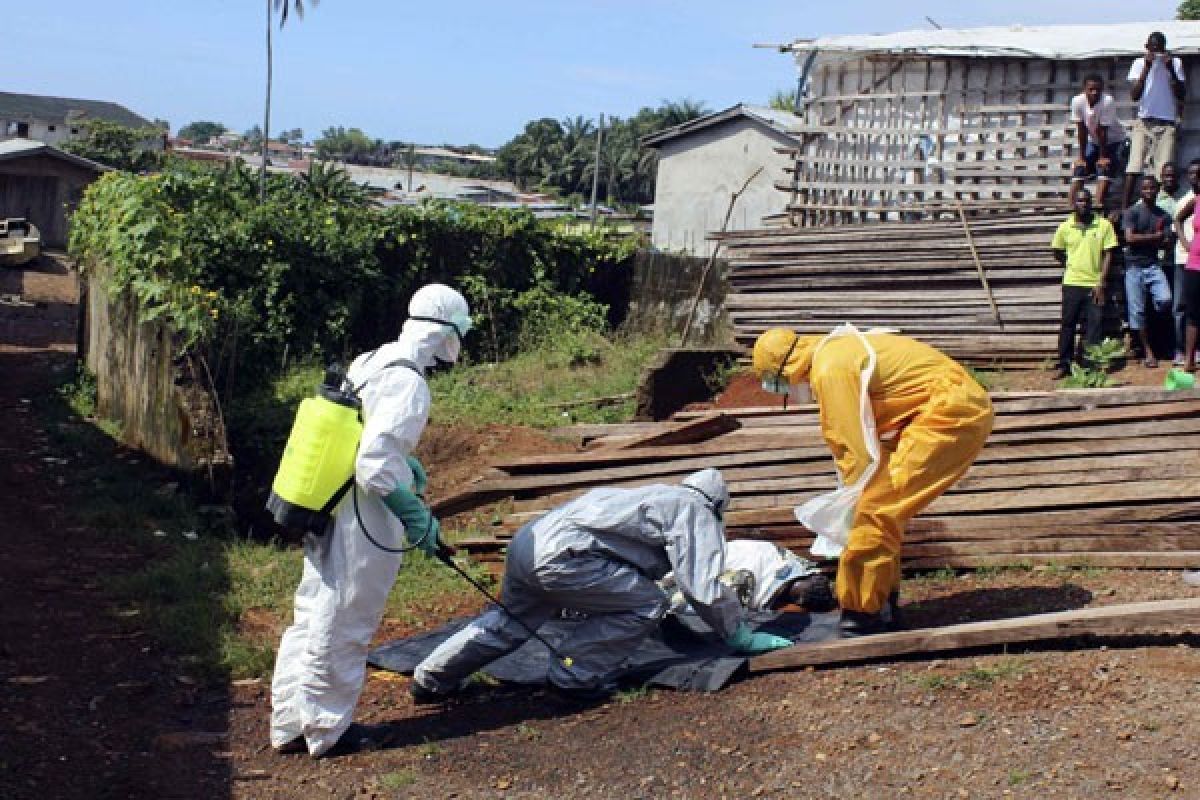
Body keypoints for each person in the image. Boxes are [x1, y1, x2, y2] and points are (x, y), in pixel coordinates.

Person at [270, 283, 472, 758]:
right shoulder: (410, 381)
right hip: (364, 516)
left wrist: (409, 465)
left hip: (329, 503)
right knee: (347, 619)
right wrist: (414, 513)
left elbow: (364, 434)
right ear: (445, 333)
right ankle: (327, 730)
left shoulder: (373, 359)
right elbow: (375, 464)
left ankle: (290, 723)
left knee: (313, 611)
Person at [410, 469, 794, 703]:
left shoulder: (653, 496)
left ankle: (430, 679)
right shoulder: (692, 510)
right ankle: (572, 678)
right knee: (647, 604)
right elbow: (702, 586)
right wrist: (738, 633)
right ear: (717, 505)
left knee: (510, 622)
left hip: (528, 544)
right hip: (566, 557)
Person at [751, 327, 993, 637]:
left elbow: (851, 445)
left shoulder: (830, 370)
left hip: (948, 415)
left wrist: (851, 500)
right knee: (881, 510)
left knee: (874, 511)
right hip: (946, 409)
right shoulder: (835, 351)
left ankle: (861, 615)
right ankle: (882, 603)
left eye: (777, 381)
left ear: (785, 368)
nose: (783, 389)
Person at [1051, 188, 1119, 379]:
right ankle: (1063, 364)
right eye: (1080, 201)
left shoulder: (1103, 225)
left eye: (1087, 201)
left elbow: (1109, 254)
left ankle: (1091, 365)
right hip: (1072, 282)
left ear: (1092, 203)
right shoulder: (1065, 227)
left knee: (1095, 325)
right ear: (1074, 204)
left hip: (1094, 284)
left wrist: (1101, 282)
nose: (1084, 204)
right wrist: (1071, 265)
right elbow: (1057, 251)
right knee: (1068, 324)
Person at [1123, 31, 1186, 209]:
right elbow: (1134, 95)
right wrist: (1147, 66)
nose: (1157, 52)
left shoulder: (1175, 63)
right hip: (1144, 121)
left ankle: (1157, 208)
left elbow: (1181, 94)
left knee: (1163, 169)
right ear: (1147, 48)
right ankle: (1125, 208)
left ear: (1165, 49)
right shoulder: (1138, 63)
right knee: (1133, 166)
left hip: (1166, 123)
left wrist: (1170, 69)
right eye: (1153, 48)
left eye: (1160, 49)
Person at [1121, 174, 1173, 367]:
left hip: (1153, 265)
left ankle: (1154, 331)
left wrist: (1163, 240)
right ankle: (1147, 351)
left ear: (1157, 190)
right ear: (1140, 191)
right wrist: (1156, 237)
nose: (1149, 191)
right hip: (1134, 266)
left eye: (1152, 188)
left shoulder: (1162, 215)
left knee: (1166, 299)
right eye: (1145, 188)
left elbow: (1166, 242)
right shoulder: (1132, 212)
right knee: (1137, 311)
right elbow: (1130, 239)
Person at [1069, 74, 1127, 208]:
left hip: (1115, 141)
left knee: (1104, 168)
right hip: (1094, 141)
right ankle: (1072, 207)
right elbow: (1081, 130)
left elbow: (1102, 131)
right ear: (1084, 89)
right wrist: (1081, 157)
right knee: (1079, 168)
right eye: (1091, 89)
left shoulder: (1107, 101)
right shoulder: (1077, 101)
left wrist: (1102, 157)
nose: (1094, 93)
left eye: (1098, 90)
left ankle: (1098, 205)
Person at [1167, 160, 1200, 365]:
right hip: (1194, 263)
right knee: (1192, 312)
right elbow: (1178, 219)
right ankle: (1189, 360)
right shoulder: (1196, 200)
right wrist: (1186, 243)